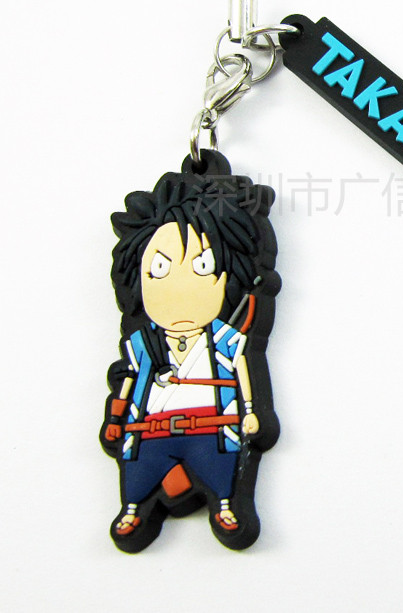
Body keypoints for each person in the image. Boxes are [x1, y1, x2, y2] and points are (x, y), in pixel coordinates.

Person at [100, 151, 280, 551]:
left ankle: (226, 504)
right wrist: (116, 417)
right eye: (159, 270)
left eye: (201, 267)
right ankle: (134, 508)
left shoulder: (225, 339)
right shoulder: (143, 343)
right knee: (141, 468)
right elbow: (130, 379)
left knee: (218, 464)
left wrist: (252, 411)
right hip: (150, 428)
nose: (178, 290)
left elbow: (243, 369)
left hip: (213, 424)